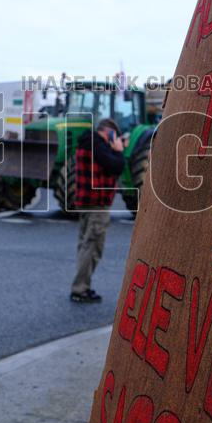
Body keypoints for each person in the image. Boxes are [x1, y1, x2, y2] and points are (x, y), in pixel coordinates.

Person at [70, 118, 126, 303]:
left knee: (85, 244)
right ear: (109, 132)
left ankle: (81, 286)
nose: (115, 138)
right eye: (114, 135)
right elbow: (116, 166)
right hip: (97, 204)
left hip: (86, 202)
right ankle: (80, 289)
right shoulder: (98, 146)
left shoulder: (88, 143)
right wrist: (118, 151)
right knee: (93, 247)